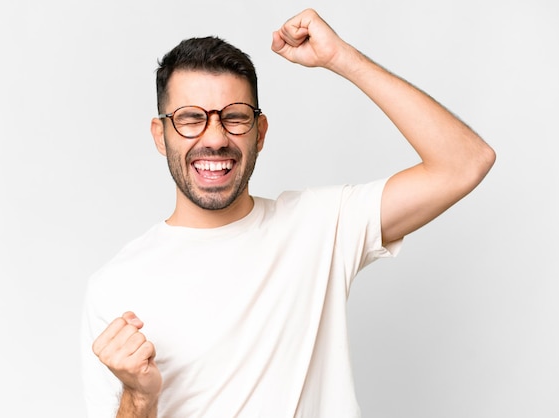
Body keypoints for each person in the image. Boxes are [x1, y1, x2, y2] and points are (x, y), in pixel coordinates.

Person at [81, 8, 495, 418]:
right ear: (161, 135)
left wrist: (341, 58)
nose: (215, 137)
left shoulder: (320, 225)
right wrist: (139, 396)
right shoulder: (115, 286)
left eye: (235, 117)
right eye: (190, 119)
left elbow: (465, 162)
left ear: (259, 134)